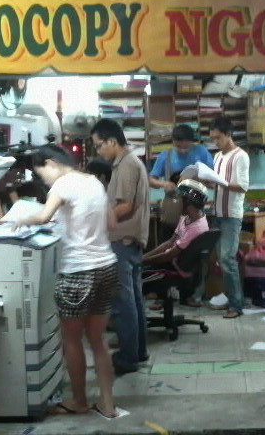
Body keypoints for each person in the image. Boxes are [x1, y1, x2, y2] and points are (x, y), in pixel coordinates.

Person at [12, 145, 119, 418]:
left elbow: (44, 215)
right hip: (106, 266)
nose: (44, 180)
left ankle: (79, 401)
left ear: (50, 163)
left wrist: (19, 220)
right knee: (98, 341)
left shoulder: (61, 185)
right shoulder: (94, 181)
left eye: (42, 174)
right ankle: (109, 405)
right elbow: (112, 222)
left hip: (77, 271)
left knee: (71, 340)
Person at [91, 119, 151, 376]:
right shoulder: (129, 162)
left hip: (123, 242)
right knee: (134, 301)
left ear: (112, 141)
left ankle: (128, 358)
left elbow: (125, 206)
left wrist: (94, 223)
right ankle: (138, 350)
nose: (98, 152)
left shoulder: (126, 165)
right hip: (131, 241)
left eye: (98, 146)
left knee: (124, 303)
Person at [143, 179, 210, 307]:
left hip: (177, 269)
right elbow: (170, 242)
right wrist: (145, 257)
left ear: (188, 202)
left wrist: (143, 261)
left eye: (180, 200)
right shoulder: (186, 217)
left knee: (138, 275)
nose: (177, 203)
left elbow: (169, 255)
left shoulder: (197, 227)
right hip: (174, 264)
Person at [209, 116, 249, 319]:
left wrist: (220, 182)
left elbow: (242, 186)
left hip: (232, 215)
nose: (215, 142)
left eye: (218, 138)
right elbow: (217, 183)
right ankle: (230, 299)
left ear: (228, 135)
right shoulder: (217, 157)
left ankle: (236, 305)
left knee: (227, 259)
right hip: (217, 213)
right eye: (213, 139)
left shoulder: (240, 156)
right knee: (221, 260)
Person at [149, 124, 214, 241]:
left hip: (195, 209)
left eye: (187, 147)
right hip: (173, 208)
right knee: (169, 242)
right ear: (173, 142)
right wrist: (164, 184)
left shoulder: (202, 153)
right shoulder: (165, 156)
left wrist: (203, 181)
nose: (183, 151)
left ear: (192, 142)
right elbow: (151, 180)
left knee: (195, 244)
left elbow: (214, 178)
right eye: (179, 147)